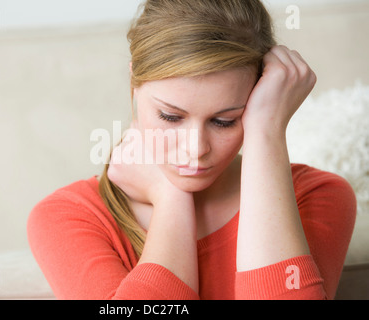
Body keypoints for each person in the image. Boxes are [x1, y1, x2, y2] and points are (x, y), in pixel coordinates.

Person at [27, 0, 356, 300]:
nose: (195, 149)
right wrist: (170, 199)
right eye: (171, 116)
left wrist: (267, 132)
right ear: (134, 87)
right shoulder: (68, 216)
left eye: (226, 120)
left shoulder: (317, 195)